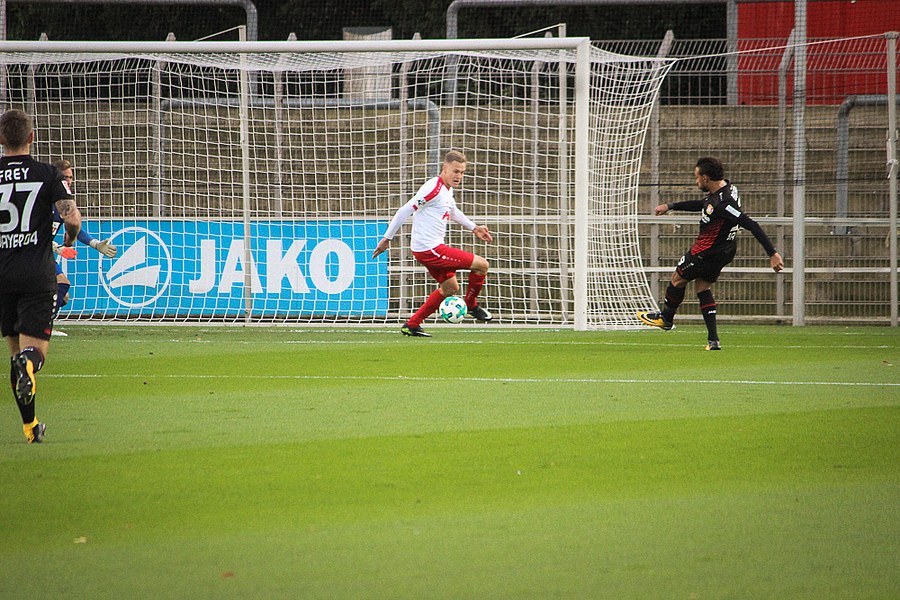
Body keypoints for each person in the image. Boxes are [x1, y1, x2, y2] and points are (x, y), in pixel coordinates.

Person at [637, 156, 784, 350]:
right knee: (702, 287)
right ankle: (713, 341)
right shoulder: (725, 190)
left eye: (697, 177)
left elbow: (751, 224)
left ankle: (666, 319)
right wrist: (670, 206)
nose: (696, 181)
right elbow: (703, 204)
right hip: (725, 250)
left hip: (707, 251)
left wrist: (772, 254)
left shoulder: (725, 203)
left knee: (677, 279)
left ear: (705, 178)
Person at [0, 109, 81, 442]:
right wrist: (69, 240)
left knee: (15, 353)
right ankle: (28, 367)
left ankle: (30, 427)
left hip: (2, 275)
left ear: (1, 139)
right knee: (33, 355)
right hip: (36, 274)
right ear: (31, 138)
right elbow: (71, 218)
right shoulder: (48, 174)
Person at [372, 150, 494, 337]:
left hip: (430, 248)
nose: (459, 176)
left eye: (462, 172)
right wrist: (387, 238)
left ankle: (412, 325)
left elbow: (453, 211)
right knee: (482, 265)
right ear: (444, 168)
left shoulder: (447, 189)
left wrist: (474, 227)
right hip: (430, 249)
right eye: (455, 171)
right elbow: (405, 210)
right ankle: (471, 306)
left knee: (450, 288)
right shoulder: (433, 188)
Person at [49, 160, 117, 331]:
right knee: (61, 283)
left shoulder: (62, 203)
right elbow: (33, 233)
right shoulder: (43, 200)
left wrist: (96, 244)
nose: (69, 181)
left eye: (71, 177)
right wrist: (57, 248)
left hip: (43, 253)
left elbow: (76, 229)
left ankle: (39, 322)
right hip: (29, 252)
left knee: (63, 296)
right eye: (65, 177)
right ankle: (41, 325)